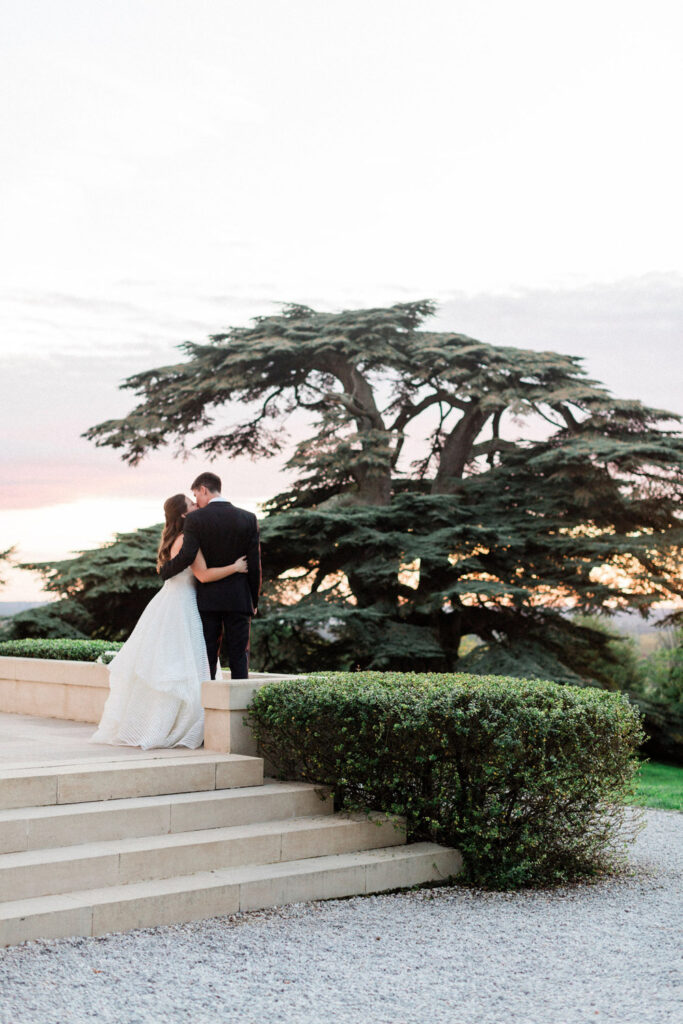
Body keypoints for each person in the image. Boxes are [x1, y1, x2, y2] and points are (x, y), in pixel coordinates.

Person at [90, 492, 248, 749]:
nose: (197, 505)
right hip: (183, 605)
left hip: (168, 602)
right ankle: (176, 726)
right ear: (185, 513)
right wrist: (235, 567)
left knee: (173, 663)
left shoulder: (173, 538)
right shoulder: (187, 539)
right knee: (188, 663)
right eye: (192, 504)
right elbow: (204, 576)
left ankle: (165, 721)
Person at [158, 472, 262, 680]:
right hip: (239, 598)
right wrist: (254, 599)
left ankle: (208, 707)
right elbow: (255, 565)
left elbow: (187, 555)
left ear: (203, 490)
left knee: (207, 660)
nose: (196, 501)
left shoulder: (195, 519)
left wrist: (165, 571)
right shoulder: (248, 518)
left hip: (208, 600)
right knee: (239, 657)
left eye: (196, 495)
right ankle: (238, 711)